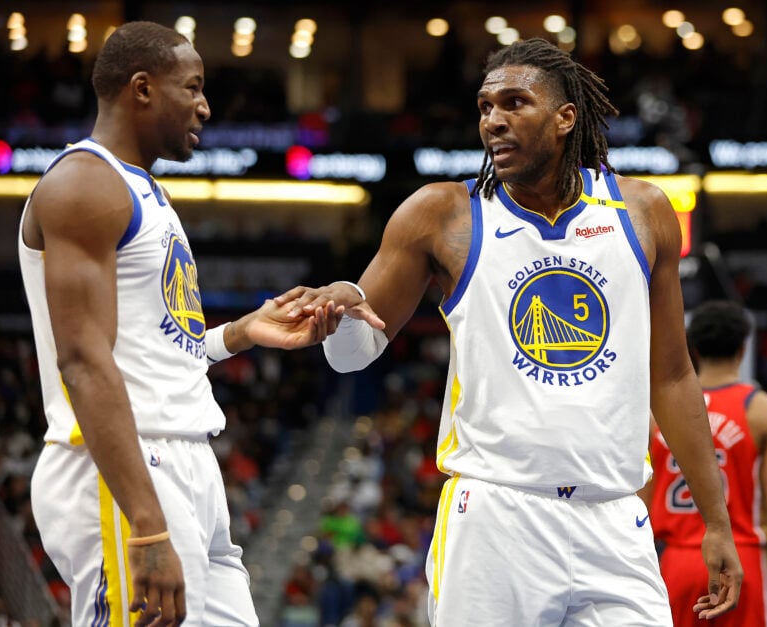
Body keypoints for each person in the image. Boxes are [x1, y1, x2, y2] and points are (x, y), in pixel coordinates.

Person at [276, 37, 742, 626]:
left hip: (616, 519)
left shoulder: (644, 213)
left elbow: (672, 375)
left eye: (515, 103)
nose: (494, 121)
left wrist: (716, 520)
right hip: (497, 517)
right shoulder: (441, 214)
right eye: (485, 107)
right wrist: (341, 313)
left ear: (566, 118)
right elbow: (353, 356)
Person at [18, 21, 363, 627]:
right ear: (143, 88)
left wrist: (243, 331)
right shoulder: (84, 184)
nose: (205, 105)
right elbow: (83, 360)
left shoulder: (144, 191)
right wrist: (147, 528)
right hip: (122, 472)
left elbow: (155, 348)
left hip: (184, 465)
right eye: (194, 87)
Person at [644, 300, 767, 626]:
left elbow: (640, 506)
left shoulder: (655, 415)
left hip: (674, 562)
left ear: (695, 349)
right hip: (741, 557)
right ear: (744, 349)